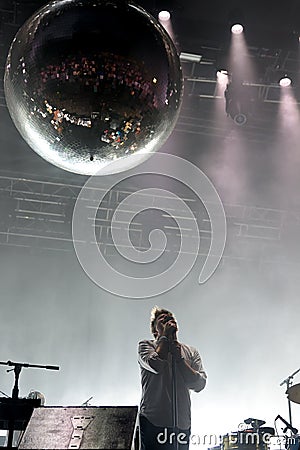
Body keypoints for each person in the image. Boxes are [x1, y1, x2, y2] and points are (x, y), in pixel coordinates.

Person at [138, 306, 207, 449]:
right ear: (154, 329)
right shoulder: (146, 346)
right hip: (153, 421)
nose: (167, 319)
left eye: (170, 317)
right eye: (161, 319)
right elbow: (156, 364)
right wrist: (164, 337)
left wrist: (179, 358)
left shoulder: (191, 352)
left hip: (182, 424)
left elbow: (199, 384)